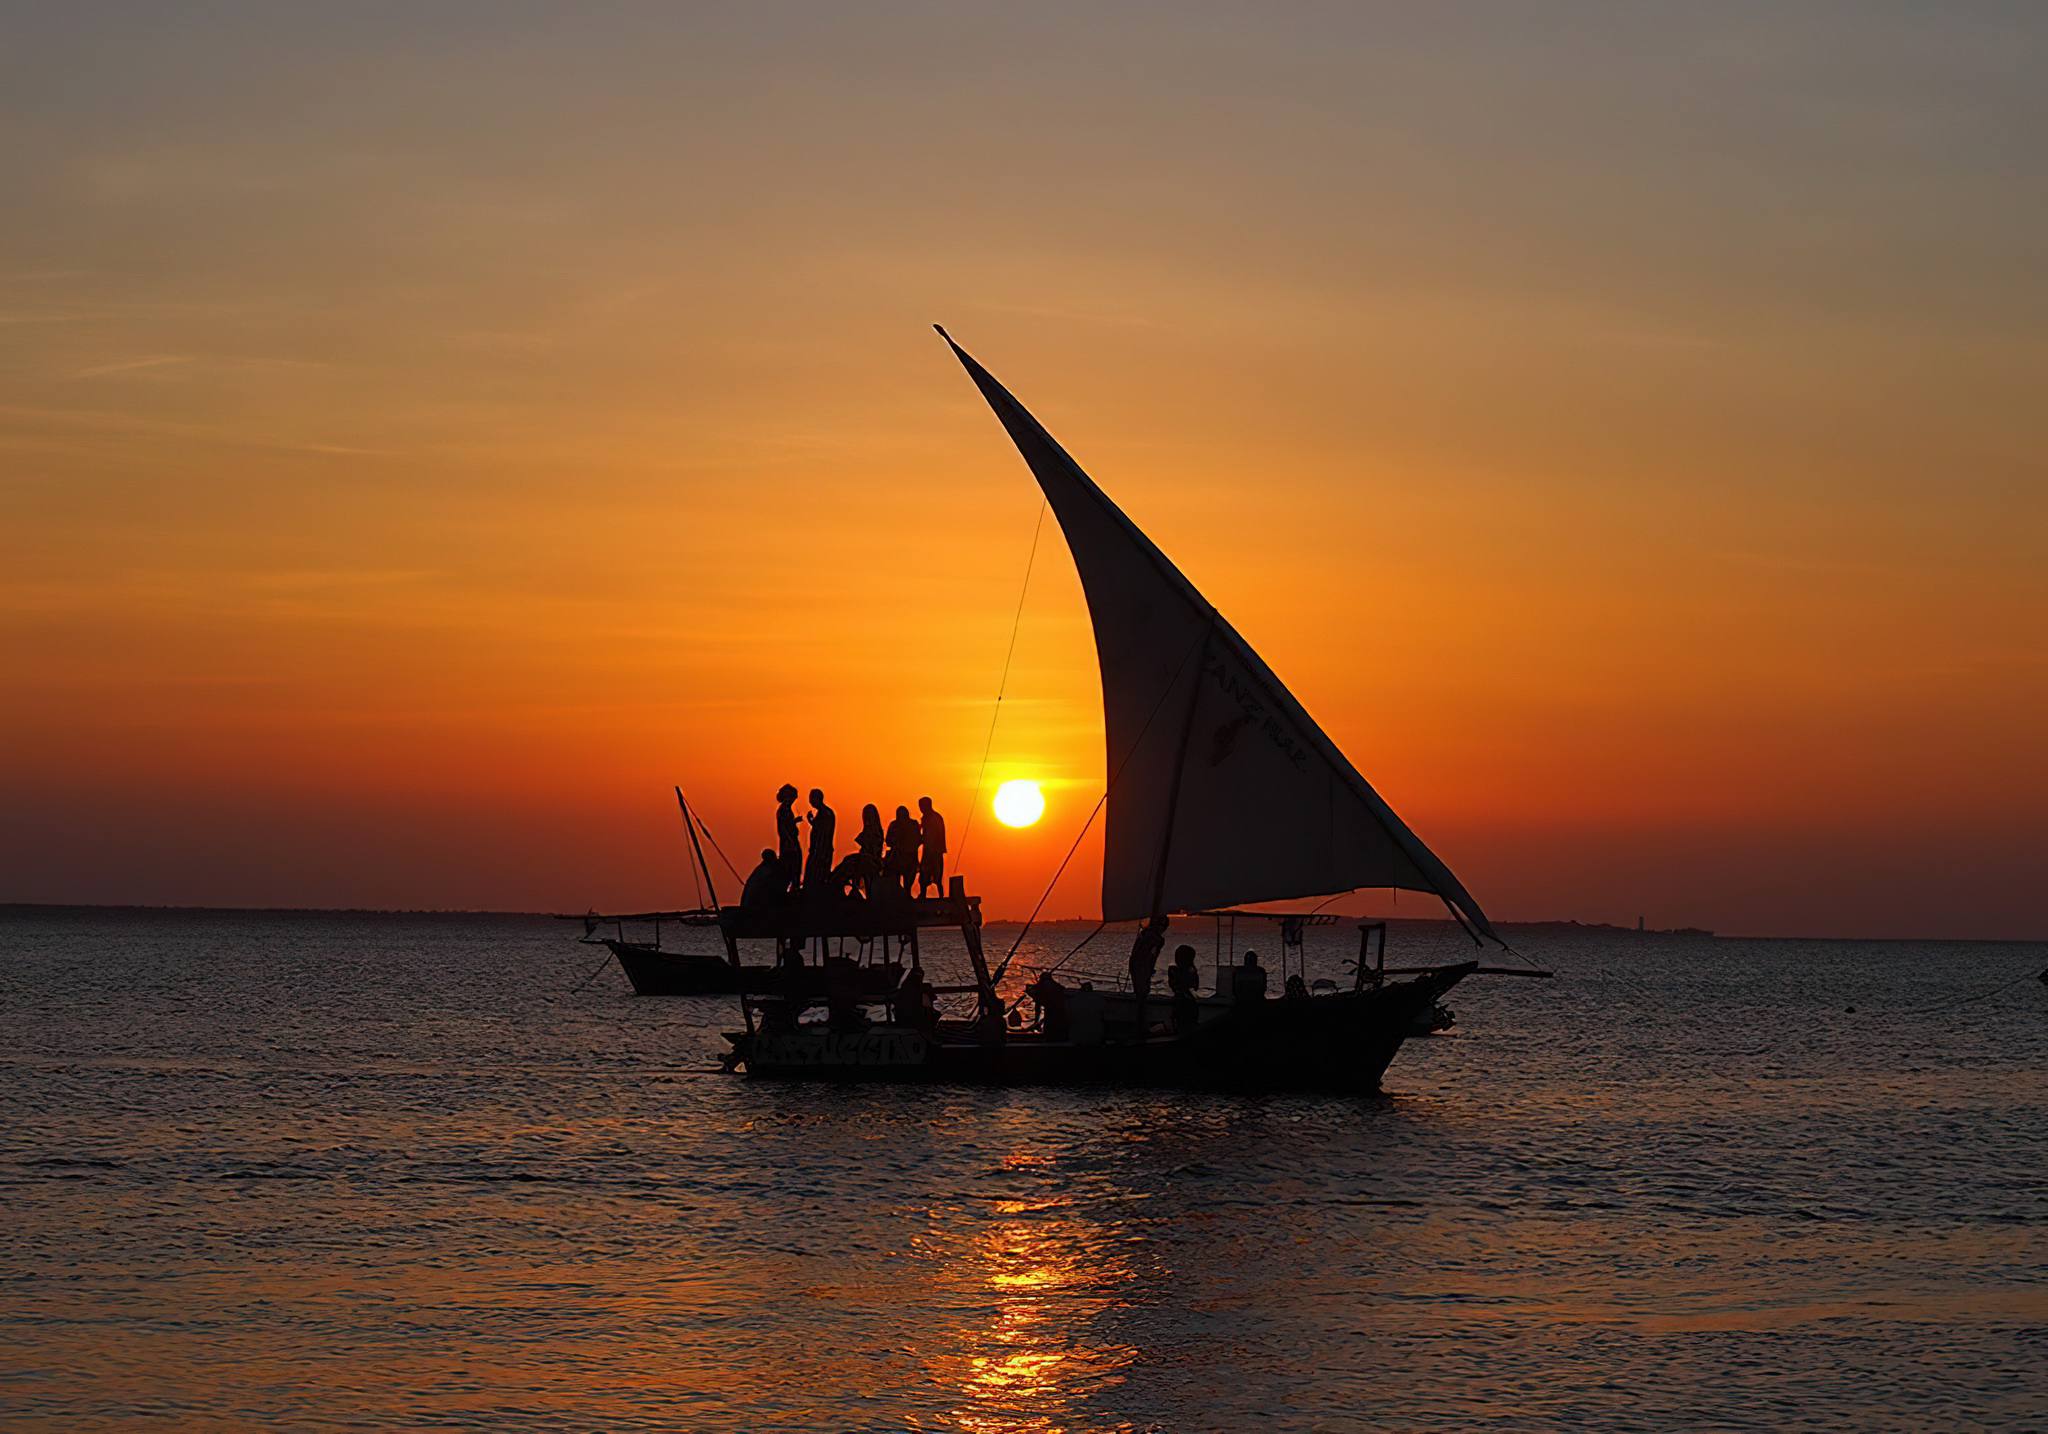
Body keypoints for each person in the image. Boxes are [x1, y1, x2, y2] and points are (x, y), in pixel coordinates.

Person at [1128, 915, 1167, 1024]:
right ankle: (1141, 1021)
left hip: (1136, 965)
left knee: (1140, 994)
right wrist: (1148, 968)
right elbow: (1150, 955)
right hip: (1141, 967)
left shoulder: (1144, 934)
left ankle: (1140, 1020)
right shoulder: (1156, 938)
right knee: (1142, 994)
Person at [803, 788, 835, 894]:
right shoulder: (823, 813)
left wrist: (812, 821)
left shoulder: (826, 813)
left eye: (812, 799)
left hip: (821, 852)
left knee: (816, 876)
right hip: (818, 851)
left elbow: (823, 832)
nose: (810, 801)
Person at [884, 804, 921, 897]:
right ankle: (901, 896)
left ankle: (905, 895)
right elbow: (888, 841)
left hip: (908, 856)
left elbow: (918, 840)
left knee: (907, 881)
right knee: (897, 880)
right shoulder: (895, 825)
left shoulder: (913, 824)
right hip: (899, 856)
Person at [915, 797, 948, 898]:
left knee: (936, 877)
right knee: (925, 877)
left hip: (934, 852)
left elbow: (931, 836)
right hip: (930, 851)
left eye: (922, 806)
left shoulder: (933, 818)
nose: (921, 809)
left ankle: (939, 898)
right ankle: (924, 896)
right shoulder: (929, 818)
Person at [774, 784, 803, 893]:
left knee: (794, 867)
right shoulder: (784, 810)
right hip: (789, 844)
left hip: (790, 842)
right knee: (792, 867)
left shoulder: (785, 810)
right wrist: (790, 842)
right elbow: (784, 828)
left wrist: (794, 821)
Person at [1166, 943, 1200, 1034]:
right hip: (1189, 1003)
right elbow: (1195, 987)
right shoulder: (1191, 972)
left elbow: (1175, 985)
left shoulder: (1175, 971)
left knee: (1182, 1026)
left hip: (1183, 1003)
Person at [854, 803, 885, 898]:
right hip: (868, 857)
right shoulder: (874, 829)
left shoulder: (873, 830)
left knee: (867, 878)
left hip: (870, 859)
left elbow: (873, 846)